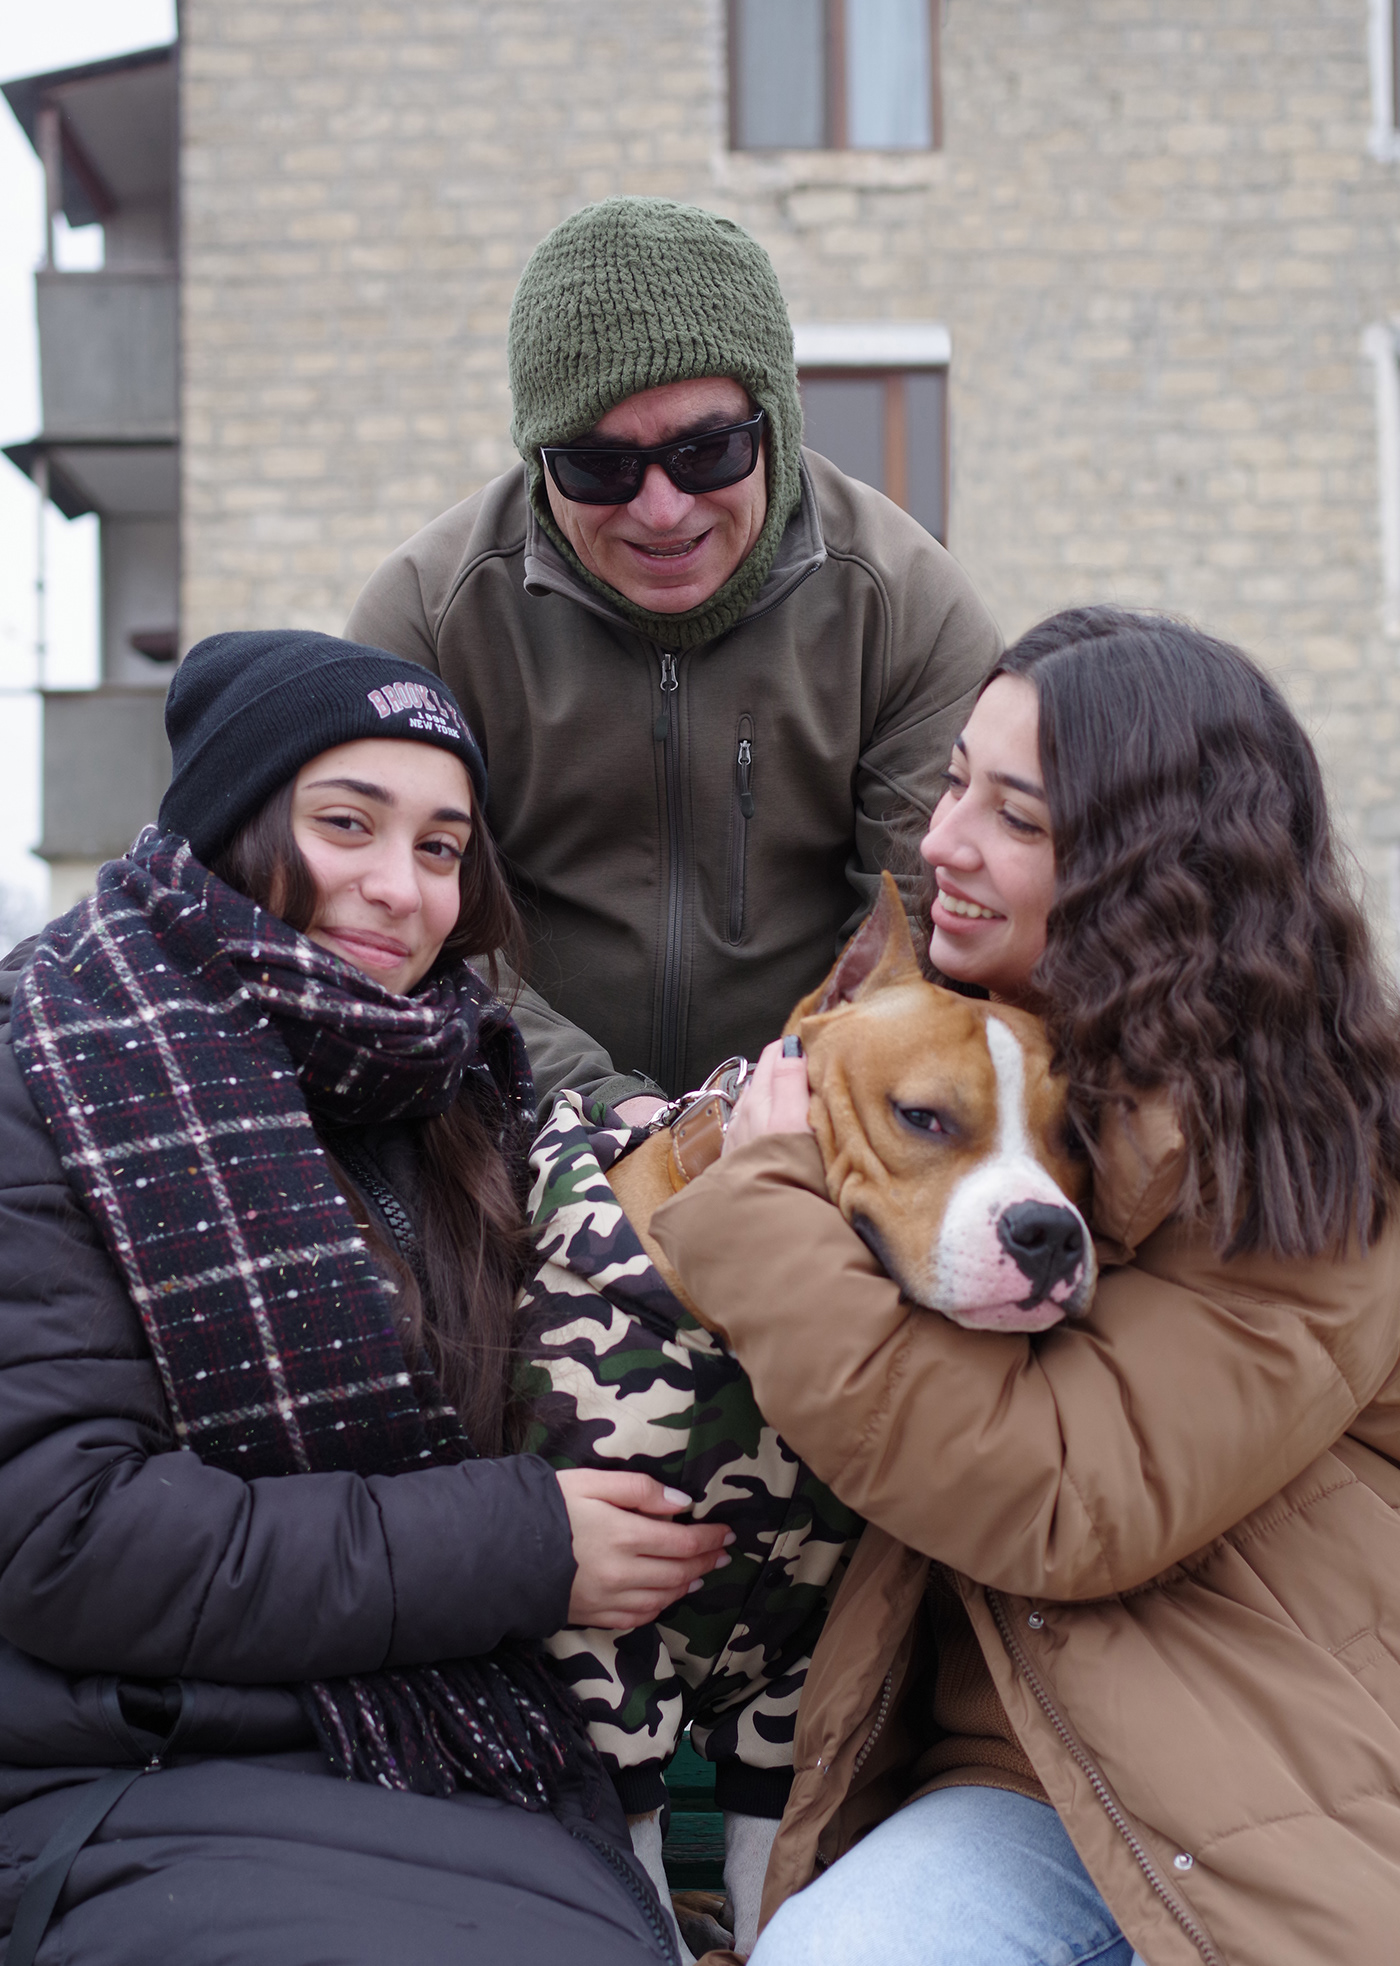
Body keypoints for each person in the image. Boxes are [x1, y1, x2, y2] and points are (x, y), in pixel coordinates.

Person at [648, 608, 1400, 1966]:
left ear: (1151, 868)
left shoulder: (1315, 1156)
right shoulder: (989, 1055)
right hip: (1021, 1766)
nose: (941, 842)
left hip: (1273, 1775)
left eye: (1016, 817)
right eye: (951, 787)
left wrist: (759, 1209)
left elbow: (1063, 1496)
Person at [0, 629, 738, 1966]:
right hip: (121, 1770)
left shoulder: (463, 1089)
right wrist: (524, 1546)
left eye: (442, 847)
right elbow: (65, 1535)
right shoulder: (43, 1075)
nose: (400, 888)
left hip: (455, 1757)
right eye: (347, 823)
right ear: (228, 823)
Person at [346, 196, 1001, 1126]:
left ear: (777, 424)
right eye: (600, 468)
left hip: (821, 1122)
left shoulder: (908, 608)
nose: (661, 510)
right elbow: (397, 924)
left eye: (709, 451)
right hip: (505, 1119)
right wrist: (610, 1114)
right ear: (537, 462)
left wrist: (766, 1115)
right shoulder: (426, 618)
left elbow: (920, 933)